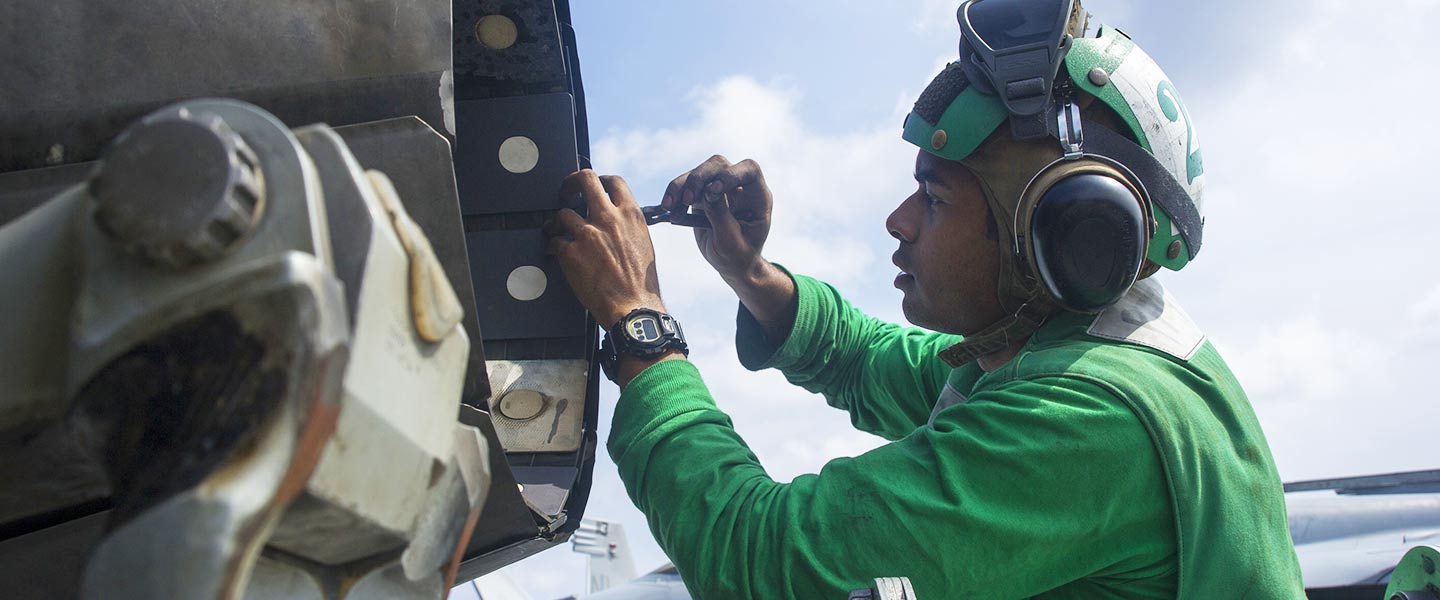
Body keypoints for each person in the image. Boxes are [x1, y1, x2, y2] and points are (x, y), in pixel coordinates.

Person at [543, 1, 1304, 597]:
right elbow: (867, 358)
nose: (897, 222)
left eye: (934, 200)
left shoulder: (1087, 426)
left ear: (1056, 233)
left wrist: (640, 324)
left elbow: (768, 565)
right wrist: (747, 270)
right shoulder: (1082, 352)